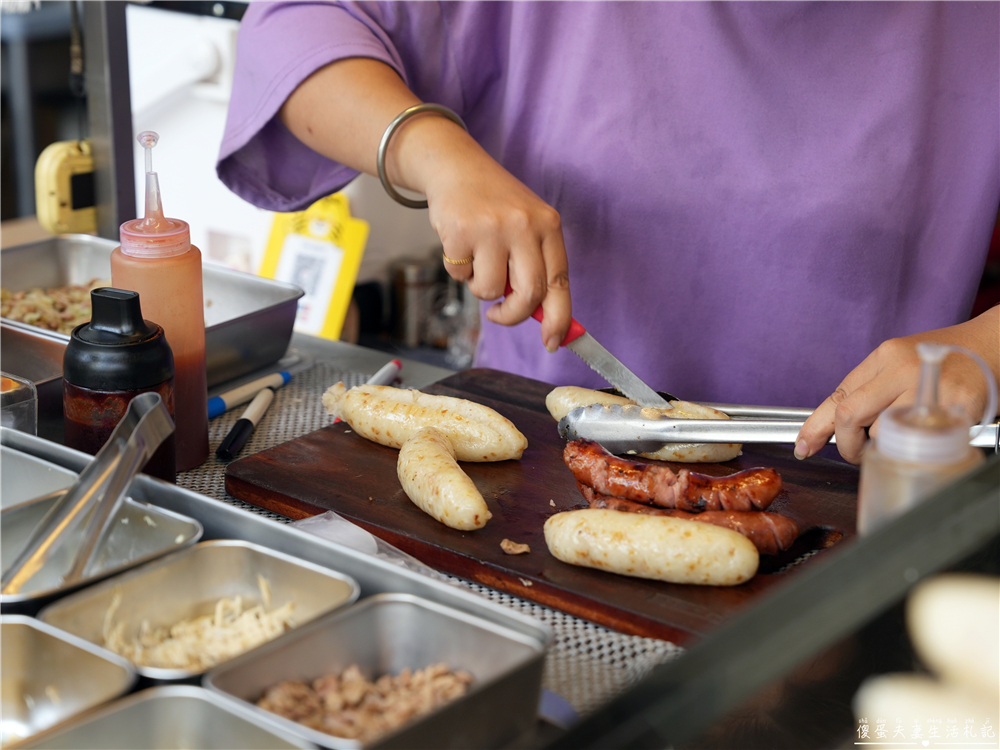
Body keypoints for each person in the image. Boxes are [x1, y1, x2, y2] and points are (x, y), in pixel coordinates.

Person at [217, 1, 999, 464]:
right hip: (539, 467)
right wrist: (436, 152)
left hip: (873, 491)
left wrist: (988, 351)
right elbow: (295, 27)